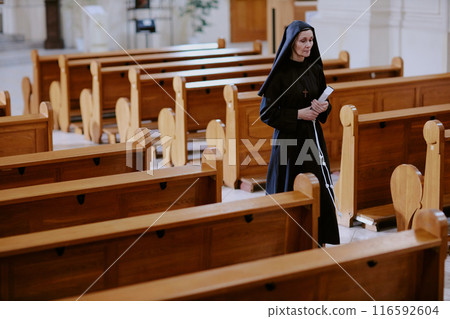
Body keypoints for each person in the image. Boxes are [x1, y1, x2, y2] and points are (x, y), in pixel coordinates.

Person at [258, 20, 340, 246]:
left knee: (318, 188)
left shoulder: (314, 67)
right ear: (292, 43)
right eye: (303, 41)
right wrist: (298, 114)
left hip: (312, 138)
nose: (308, 45)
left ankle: (318, 239)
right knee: (288, 187)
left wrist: (324, 107)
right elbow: (266, 113)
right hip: (287, 141)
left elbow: (324, 100)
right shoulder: (280, 75)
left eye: (311, 40)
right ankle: (286, 240)